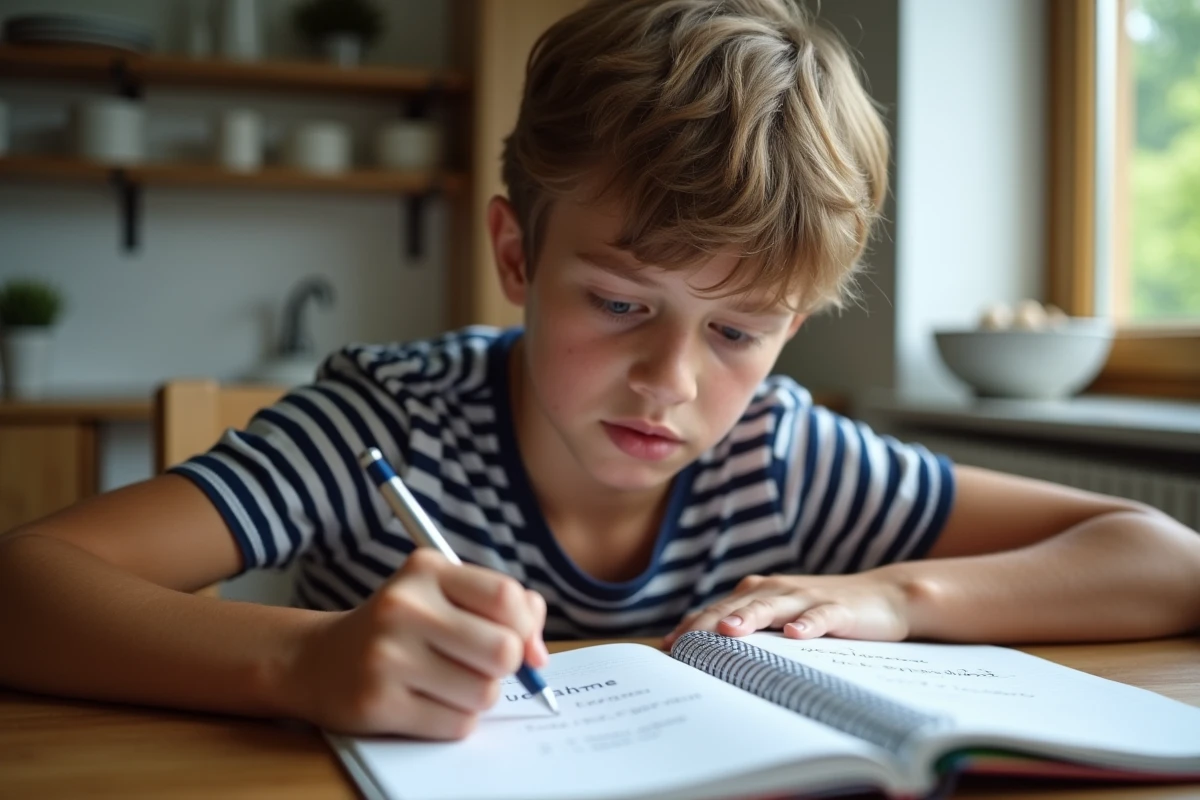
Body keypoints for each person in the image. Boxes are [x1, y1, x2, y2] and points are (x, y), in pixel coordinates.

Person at [1, 0, 1198, 744]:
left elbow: (1163, 556)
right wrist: (302, 658)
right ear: (517, 252)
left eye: (739, 330)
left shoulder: (781, 455)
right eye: (622, 302)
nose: (670, 380)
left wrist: (899, 597)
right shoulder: (389, 424)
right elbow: (27, 582)